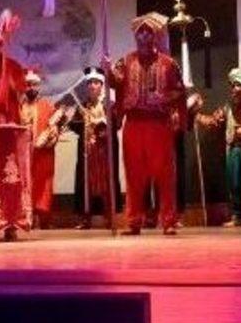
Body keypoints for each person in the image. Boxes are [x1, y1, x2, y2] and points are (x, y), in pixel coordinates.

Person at [102, 12, 186, 235]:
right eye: (141, 32)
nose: (145, 36)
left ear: (156, 35)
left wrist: (164, 98)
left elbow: (180, 90)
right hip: (134, 123)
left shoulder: (168, 64)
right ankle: (134, 221)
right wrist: (107, 70)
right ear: (136, 37)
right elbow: (116, 82)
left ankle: (168, 221)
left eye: (149, 32)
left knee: (164, 174)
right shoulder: (126, 61)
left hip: (159, 124)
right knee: (134, 174)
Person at [196, 67, 241, 227]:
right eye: (233, 85)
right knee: (234, 183)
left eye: (238, 85)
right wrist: (196, 114)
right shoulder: (228, 107)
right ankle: (238, 215)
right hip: (233, 149)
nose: (234, 89)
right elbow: (213, 121)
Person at [72, 67, 116, 229]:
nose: (92, 86)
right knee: (86, 183)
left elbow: (115, 124)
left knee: (105, 182)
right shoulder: (83, 105)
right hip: (87, 151)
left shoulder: (108, 104)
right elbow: (73, 125)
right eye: (90, 83)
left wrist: (102, 127)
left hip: (103, 151)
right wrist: (79, 119)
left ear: (102, 85)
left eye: (96, 83)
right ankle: (85, 218)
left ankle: (109, 216)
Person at [19, 69, 58, 229]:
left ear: (39, 87)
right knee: (25, 184)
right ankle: (26, 217)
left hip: (42, 153)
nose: (31, 88)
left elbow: (54, 129)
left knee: (43, 183)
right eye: (28, 85)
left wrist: (49, 136)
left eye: (34, 85)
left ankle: (43, 218)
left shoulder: (47, 106)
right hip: (23, 153)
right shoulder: (18, 107)